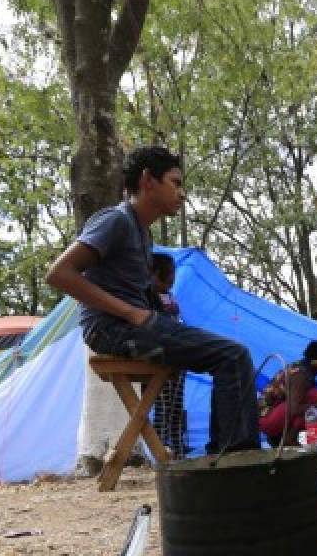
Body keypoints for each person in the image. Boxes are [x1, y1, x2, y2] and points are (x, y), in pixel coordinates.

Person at [46, 145, 260, 455]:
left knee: (230, 353)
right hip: (112, 329)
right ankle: (235, 459)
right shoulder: (114, 221)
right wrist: (131, 313)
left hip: (133, 327)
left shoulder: (140, 232)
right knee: (232, 356)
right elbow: (59, 273)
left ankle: (229, 453)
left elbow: (144, 295)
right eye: (175, 182)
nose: (182, 193)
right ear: (148, 180)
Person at [258, 340, 317, 447]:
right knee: (315, 396)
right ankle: (289, 439)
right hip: (267, 419)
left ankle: (286, 438)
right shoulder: (300, 375)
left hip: (271, 415)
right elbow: (295, 408)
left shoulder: (301, 369)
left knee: (314, 397)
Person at [147, 252, 188, 457]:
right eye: (170, 273)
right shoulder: (148, 297)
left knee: (176, 409)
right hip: (159, 360)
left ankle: (178, 454)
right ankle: (160, 454)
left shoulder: (171, 298)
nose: (173, 278)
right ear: (155, 273)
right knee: (162, 408)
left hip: (178, 360)